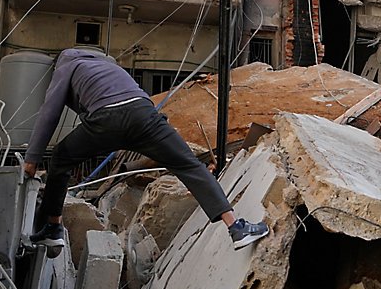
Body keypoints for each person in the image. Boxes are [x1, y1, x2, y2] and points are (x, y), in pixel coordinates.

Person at [22, 49, 269, 251]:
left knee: (61, 158)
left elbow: (49, 113)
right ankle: (236, 227)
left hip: (106, 122)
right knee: (189, 165)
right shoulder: (110, 67)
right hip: (145, 116)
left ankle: (53, 228)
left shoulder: (66, 66)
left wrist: (32, 158)